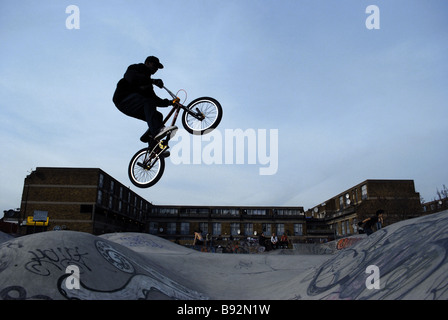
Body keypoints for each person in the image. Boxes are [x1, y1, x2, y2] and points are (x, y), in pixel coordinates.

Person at [113, 56, 177, 146]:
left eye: (157, 68)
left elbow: (155, 99)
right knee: (148, 102)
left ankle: (152, 145)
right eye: (154, 65)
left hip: (132, 105)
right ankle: (157, 130)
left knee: (157, 116)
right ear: (147, 63)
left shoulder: (148, 84)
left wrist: (170, 102)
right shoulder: (136, 68)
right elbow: (131, 77)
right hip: (123, 99)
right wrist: (153, 81)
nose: (155, 69)